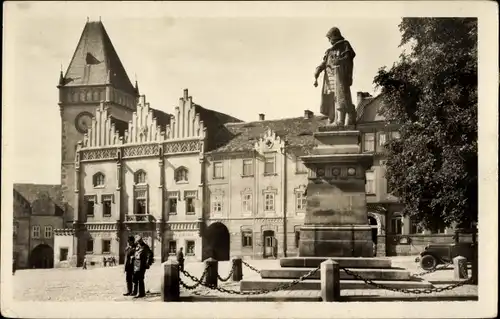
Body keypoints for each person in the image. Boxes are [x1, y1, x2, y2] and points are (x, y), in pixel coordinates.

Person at [313, 27, 356, 126]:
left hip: (340, 76)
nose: (329, 41)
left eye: (330, 38)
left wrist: (339, 61)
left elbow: (348, 58)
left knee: (341, 97)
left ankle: (342, 120)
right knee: (332, 98)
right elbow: (325, 62)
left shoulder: (345, 45)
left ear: (335, 36)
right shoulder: (329, 51)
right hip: (330, 78)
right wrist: (318, 69)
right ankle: (333, 118)